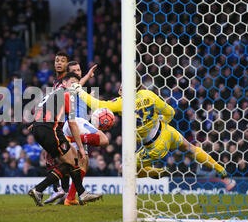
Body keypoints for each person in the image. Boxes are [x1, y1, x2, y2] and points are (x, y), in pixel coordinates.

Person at [71, 73, 237, 191]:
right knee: (190, 148)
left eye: (123, 84)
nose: (120, 86)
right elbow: (170, 112)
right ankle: (224, 175)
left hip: (154, 146)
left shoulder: (122, 103)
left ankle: (160, 173)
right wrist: (162, 122)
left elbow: (98, 105)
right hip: (166, 131)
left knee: (124, 169)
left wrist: (79, 90)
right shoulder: (148, 95)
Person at [28, 72, 103, 206]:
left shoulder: (53, 93)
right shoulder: (67, 95)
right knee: (73, 159)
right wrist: (81, 147)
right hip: (50, 129)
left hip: (38, 128)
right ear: (64, 83)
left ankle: (79, 193)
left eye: (77, 84)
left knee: (71, 161)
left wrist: (36, 124)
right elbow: (73, 124)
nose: (74, 86)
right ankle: (40, 189)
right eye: (72, 83)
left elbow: (41, 110)